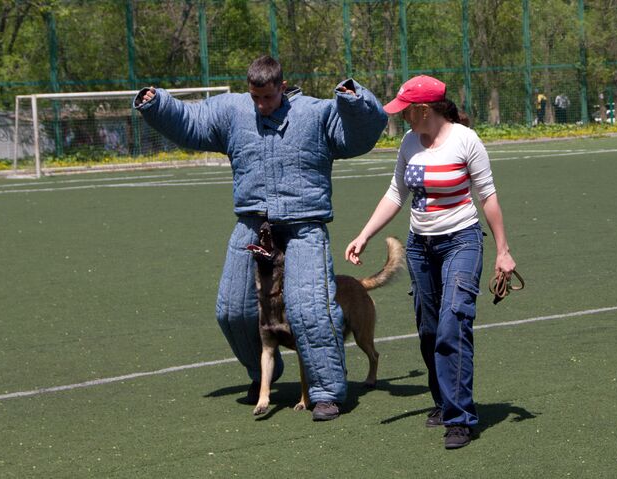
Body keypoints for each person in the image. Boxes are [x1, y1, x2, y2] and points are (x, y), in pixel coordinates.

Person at [134, 55, 387, 421]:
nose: (260, 105)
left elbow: (361, 133)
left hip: (304, 226)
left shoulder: (315, 114)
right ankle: (263, 372)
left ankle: (327, 392)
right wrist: (157, 105)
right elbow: (193, 121)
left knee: (311, 310)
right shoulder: (234, 111)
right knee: (232, 310)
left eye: (267, 98)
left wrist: (354, 99)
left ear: (282, 87)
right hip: (254, 226)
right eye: (255, 97)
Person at [344, 75, 516, 448]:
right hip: (420, 247)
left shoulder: (465, 141)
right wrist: (364, 234)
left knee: (454, 321)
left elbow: (488, 198)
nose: (401, 116)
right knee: (429, 328)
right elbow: (396, 193)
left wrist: (503, 252)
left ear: (423, 109)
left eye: (405, 110)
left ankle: (460, 418)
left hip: (462, 241)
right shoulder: (408, 143)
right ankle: (442, 400)